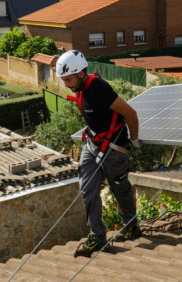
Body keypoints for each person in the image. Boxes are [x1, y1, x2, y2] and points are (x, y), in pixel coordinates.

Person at [56, 50, 143, 258]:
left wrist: (134, 139)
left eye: (68, 80)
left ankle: (131, 225)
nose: (66, 84)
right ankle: (97, 237)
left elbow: (130, 113)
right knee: (88, 189)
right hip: (92, 144)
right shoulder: (81, 88)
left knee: (120, 189)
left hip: (114, 149)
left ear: (81, 74)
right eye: (64, 80)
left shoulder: (99, 88)